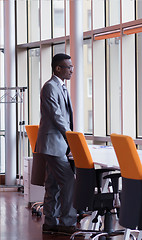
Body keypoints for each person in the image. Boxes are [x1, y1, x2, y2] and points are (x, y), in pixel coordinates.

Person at [35, 53, 77, 235]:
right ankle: (67, 223)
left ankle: (50, 222)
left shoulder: (61, 88)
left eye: (72, 67)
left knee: (52, 184)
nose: (72, 70)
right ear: (58, 68)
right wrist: (71, 137)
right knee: (69, 182)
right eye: (69, 67)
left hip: (55, 145)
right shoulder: (50, 87)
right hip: (53, 145)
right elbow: (57, 116)